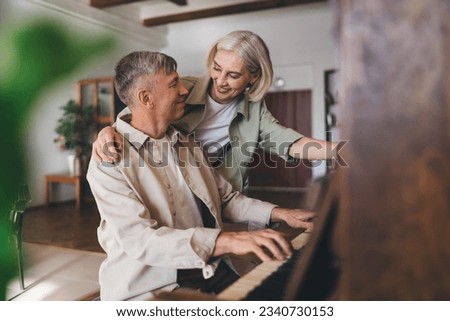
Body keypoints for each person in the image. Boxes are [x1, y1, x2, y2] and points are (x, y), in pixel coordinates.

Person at [86, 51, 315, 301]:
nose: (184, 90)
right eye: (174, 84)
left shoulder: (186, 143)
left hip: (207, 269)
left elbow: (225, 198)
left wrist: (282, 213)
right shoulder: (109, 160)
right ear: (146, 98)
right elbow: (142, 240)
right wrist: (228, 241)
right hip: (150, 287)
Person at [92, 30, 340, 192]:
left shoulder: (254, 110)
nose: (220, 80)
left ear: (253, 77)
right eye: (217, 68)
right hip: (173, 190)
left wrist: (347, 152)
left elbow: (290, 142)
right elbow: (134, 111)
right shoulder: (182, 88)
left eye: (233, 75)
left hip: (221, 194)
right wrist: (106, 132)